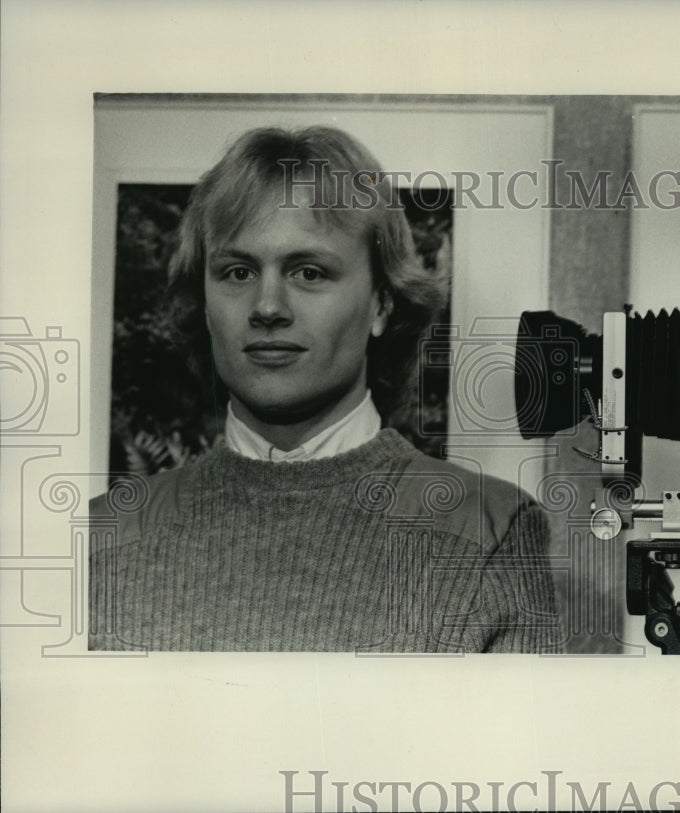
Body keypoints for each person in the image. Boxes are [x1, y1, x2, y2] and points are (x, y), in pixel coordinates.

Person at [89, 126, 560, 653]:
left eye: (309, 271)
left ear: (382, 303)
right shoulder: (101, 535)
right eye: (238, 271)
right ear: (203, 303)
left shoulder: (486, 530)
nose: (268, 307)